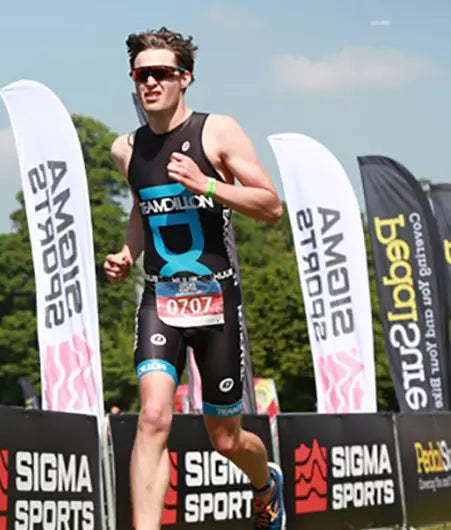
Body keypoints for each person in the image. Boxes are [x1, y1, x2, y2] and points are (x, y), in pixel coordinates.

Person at [103, 27, 285, 529]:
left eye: (162, 73)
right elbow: (144, 211)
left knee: (224, 436)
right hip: (160, 300)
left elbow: (271, 206)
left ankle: (264, 482)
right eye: (142, 74)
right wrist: (126, 252)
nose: (151, 82)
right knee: (154, 417)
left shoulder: (216, 132)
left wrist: (206, 184)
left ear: (186, 79)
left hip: (216, 300)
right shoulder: (127, 149)